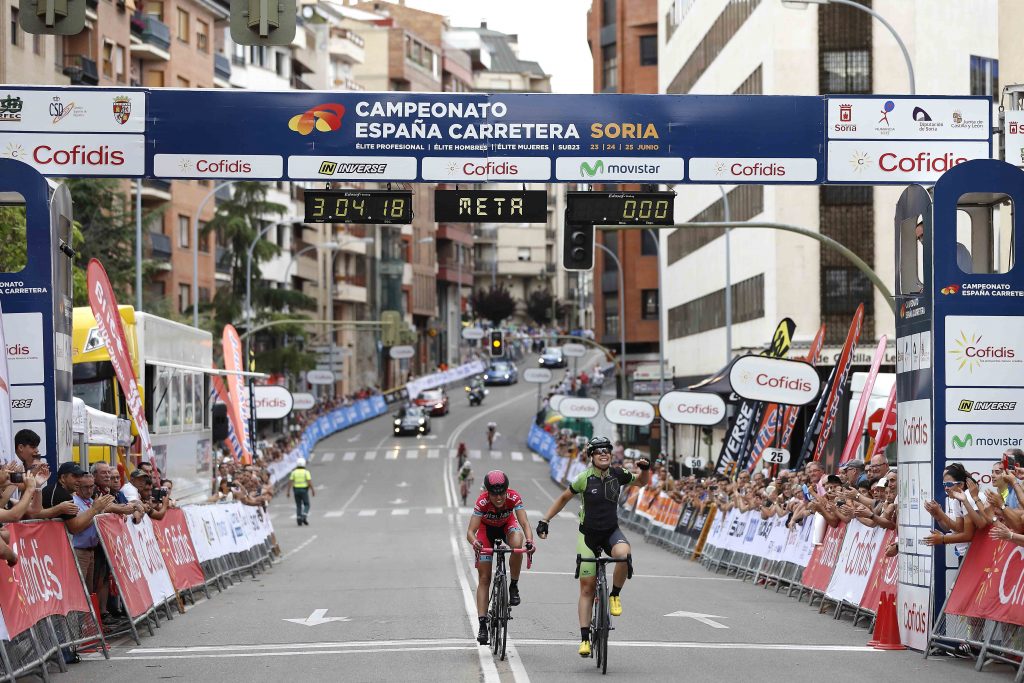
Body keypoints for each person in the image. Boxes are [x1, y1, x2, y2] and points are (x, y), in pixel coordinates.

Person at [535, 436, 650, 658]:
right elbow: (563, 499)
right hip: (588, 537)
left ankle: (614, 595)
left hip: (610, 533)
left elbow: (642, 482)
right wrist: (545, 520)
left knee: (624, 555)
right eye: (598, 451)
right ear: (591, 457)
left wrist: (645, 470)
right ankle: (585, 638)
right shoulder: (583, 479)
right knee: (587, 588)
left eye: (606, 450)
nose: (603, 453)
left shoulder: (619, 474)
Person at [466, 470, 533, 645]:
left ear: (506, 490)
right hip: (485, 532)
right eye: (494, 494)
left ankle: (513, 585)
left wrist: (530, 541)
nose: (499, 498)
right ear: (488, 492)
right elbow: (470, 531)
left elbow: (524, 522)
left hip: (506, 527)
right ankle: (482, 625)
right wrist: (475, 543)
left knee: (518, 543)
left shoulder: (513, 497)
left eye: (502, 493)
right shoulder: (482, 502)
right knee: (484, 578)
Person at [286, 457, 314, 526]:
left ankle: (299, 518)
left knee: (298, 505)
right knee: (307, 504)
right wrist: (312, 490)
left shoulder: (294, 472)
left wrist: (288, 491)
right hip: (304, 490)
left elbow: (290, 482)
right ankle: (304, 516)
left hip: (296, 490)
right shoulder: (306, 472)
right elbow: (309, 481)